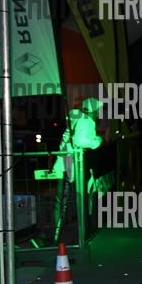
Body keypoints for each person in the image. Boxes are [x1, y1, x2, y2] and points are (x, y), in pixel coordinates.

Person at [52, 98, 103, 243]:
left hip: (64, 163)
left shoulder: (77, 118)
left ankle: (58, 234)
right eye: (99, 110)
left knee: (62, 201)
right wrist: (97, 141)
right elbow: (80, 141)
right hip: (71, 165)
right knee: (74, 200)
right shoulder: (87, 121)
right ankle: (73, 236)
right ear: (93, 109)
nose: (100, 113)